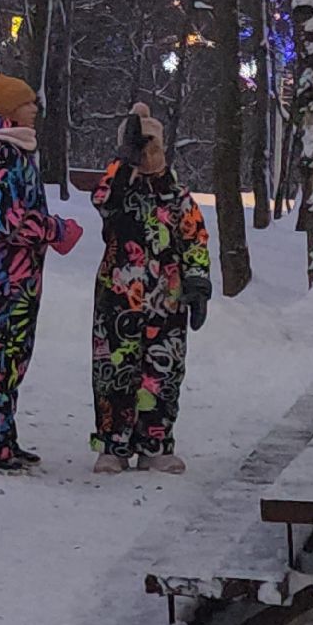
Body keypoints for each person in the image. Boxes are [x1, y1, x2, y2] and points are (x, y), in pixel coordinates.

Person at [0, 68, 82, 474]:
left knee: (13, 355)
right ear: (9, 110)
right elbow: (3, 220)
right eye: (28, 102)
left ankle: (1, 435)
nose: (35, 109)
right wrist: (56, 230)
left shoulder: (14, 149)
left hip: (17, 269)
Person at [88, 103, 211, 475]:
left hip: (166, 304)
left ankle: (155, 444)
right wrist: (124, 159)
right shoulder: (118, 192)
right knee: (115, 373)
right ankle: (114, 445)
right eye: (142, 149)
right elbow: (103, 199)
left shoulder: (177, 197)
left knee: (162, 374)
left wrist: (198, 282)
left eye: (155, 148)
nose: (149, 157)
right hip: (118, 301)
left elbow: (195, 239)